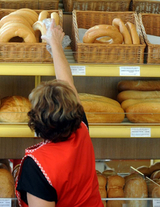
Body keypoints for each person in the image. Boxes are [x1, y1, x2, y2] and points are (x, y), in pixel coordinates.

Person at [15, 19, 103, 207]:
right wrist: (55, 43)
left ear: (36, 122)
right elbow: (67, 83)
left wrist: (53, 42)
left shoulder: (38, 165)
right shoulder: (81, 131)